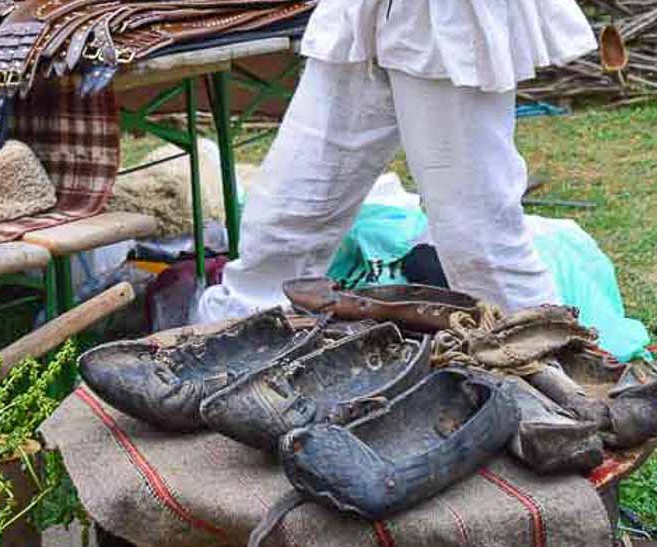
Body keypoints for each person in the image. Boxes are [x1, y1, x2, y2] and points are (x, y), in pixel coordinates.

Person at [196, 0, 597, 323]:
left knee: (476, 236)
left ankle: (549, 370)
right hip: (363, 15)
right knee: (290, 209)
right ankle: (240, 339)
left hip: (452, 22)